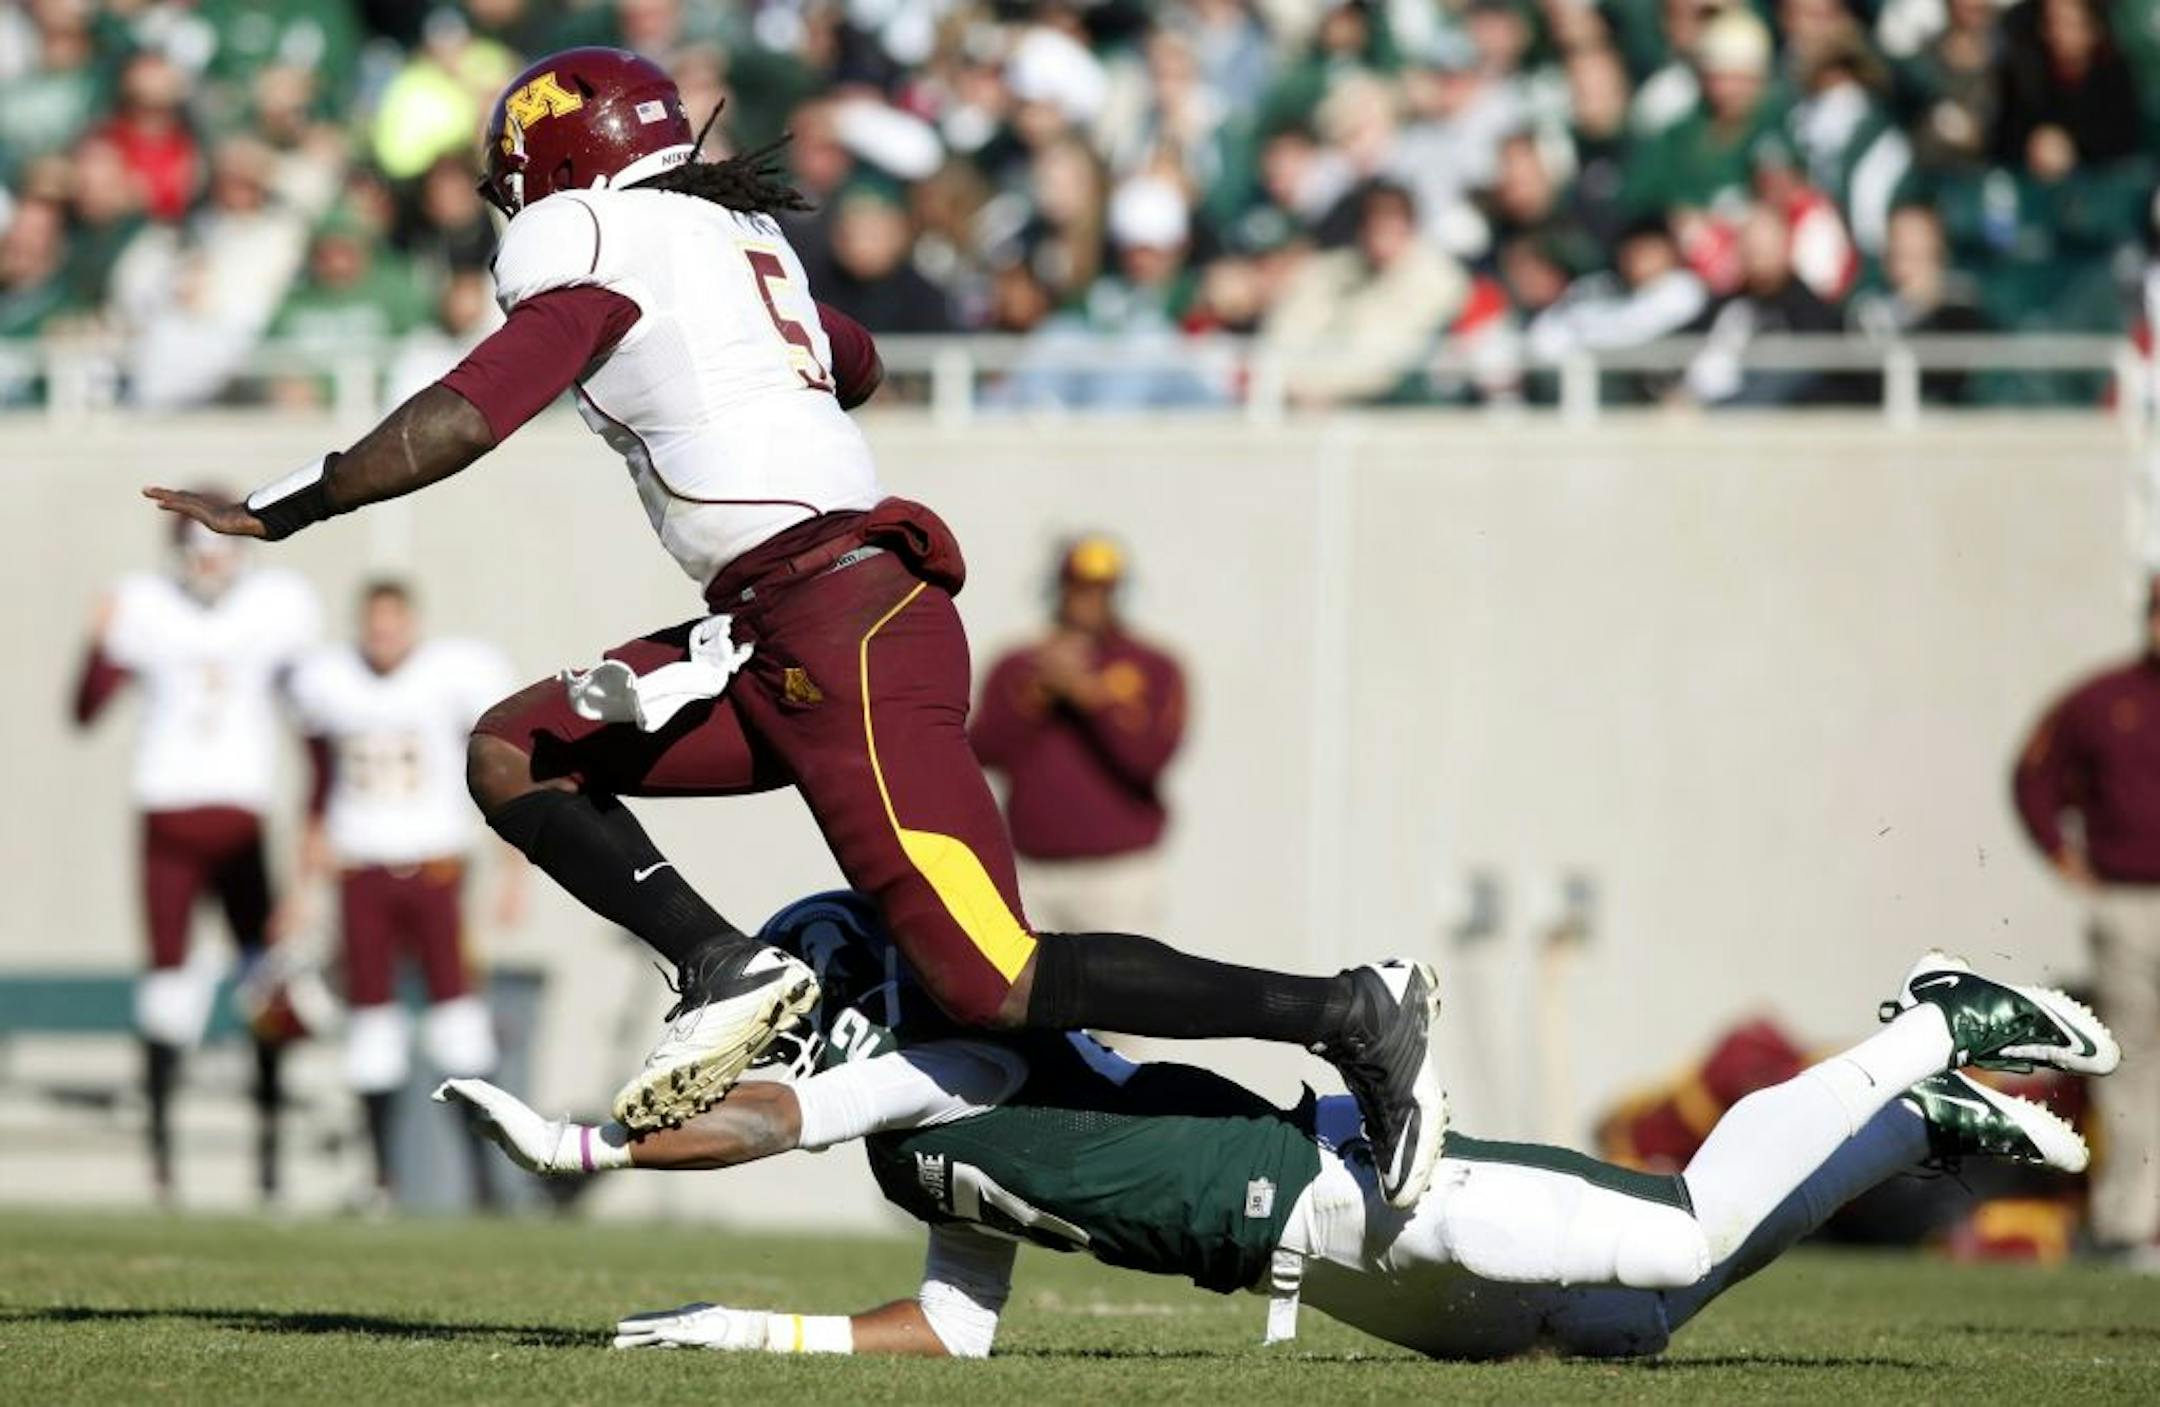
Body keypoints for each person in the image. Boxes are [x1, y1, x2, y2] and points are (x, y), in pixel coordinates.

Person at [142, 48, 1447, 1208]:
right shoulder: (717, 242)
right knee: (516, 749)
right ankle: (725, 964)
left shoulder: (593, 243)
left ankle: (1347, 1008)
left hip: (841, 623)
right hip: (777, 629)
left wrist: (299, 497)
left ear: (558, 168)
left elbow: (476, 408)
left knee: (987, 975)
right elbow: (854, 353)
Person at [439, 890, 2118, 1360]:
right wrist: (739, 1331)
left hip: (1364, 1189)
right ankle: (1919, 1132)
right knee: (1630, 1322)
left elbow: (769, 1118)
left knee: (1678, 1223)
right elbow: (950, 1330)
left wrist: (586, 1149)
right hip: (1339, 1278)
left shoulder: (946, 1059)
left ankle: (1926, 1021)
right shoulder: (916, 1126)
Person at [69, 509, 322, 1204]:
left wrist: (317, 823)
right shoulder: (145, 606)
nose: (209, 565)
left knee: (264, 988)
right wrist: (98, 638)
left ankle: (269, 1166)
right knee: (167, 988)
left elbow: (316, 720)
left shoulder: (277, 609)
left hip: (243, 818)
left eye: (221, 552)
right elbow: (86, 709)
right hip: (168, 812)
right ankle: (161, 1163)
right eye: (199, 553)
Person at [285, 579, 520, 1208]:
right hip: (360, 865)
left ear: (412, 625)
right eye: (373, 625)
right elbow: (316, 786)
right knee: (371, 1023)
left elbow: (498, 770)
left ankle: (484, 1180)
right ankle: (383, 1178)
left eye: (392, 625)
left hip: (436, 866)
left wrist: (512, 872)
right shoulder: (330, 682)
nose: (382, 637)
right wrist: (299, 889)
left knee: (457, 1018)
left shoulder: (451, 675)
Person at [2012, 575, 2160, 1264]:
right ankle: (2131, 1225)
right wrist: (2058, 852)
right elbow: (2034, 774)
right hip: (2129, 902)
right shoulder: (2105, 700)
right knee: (2132, 1063)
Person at [974, 537, 1186, 937]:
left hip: (1118, 874)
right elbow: (982, 749)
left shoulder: (1152, 666)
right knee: (1031, 994)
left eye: (1101, 590)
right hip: (1033, 869)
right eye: (1078, 587)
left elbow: (1150, 759)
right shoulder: (1019, 664)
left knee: (1124, 994)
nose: (1088, 601)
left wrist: (1088, 696)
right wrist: (1036, 696)